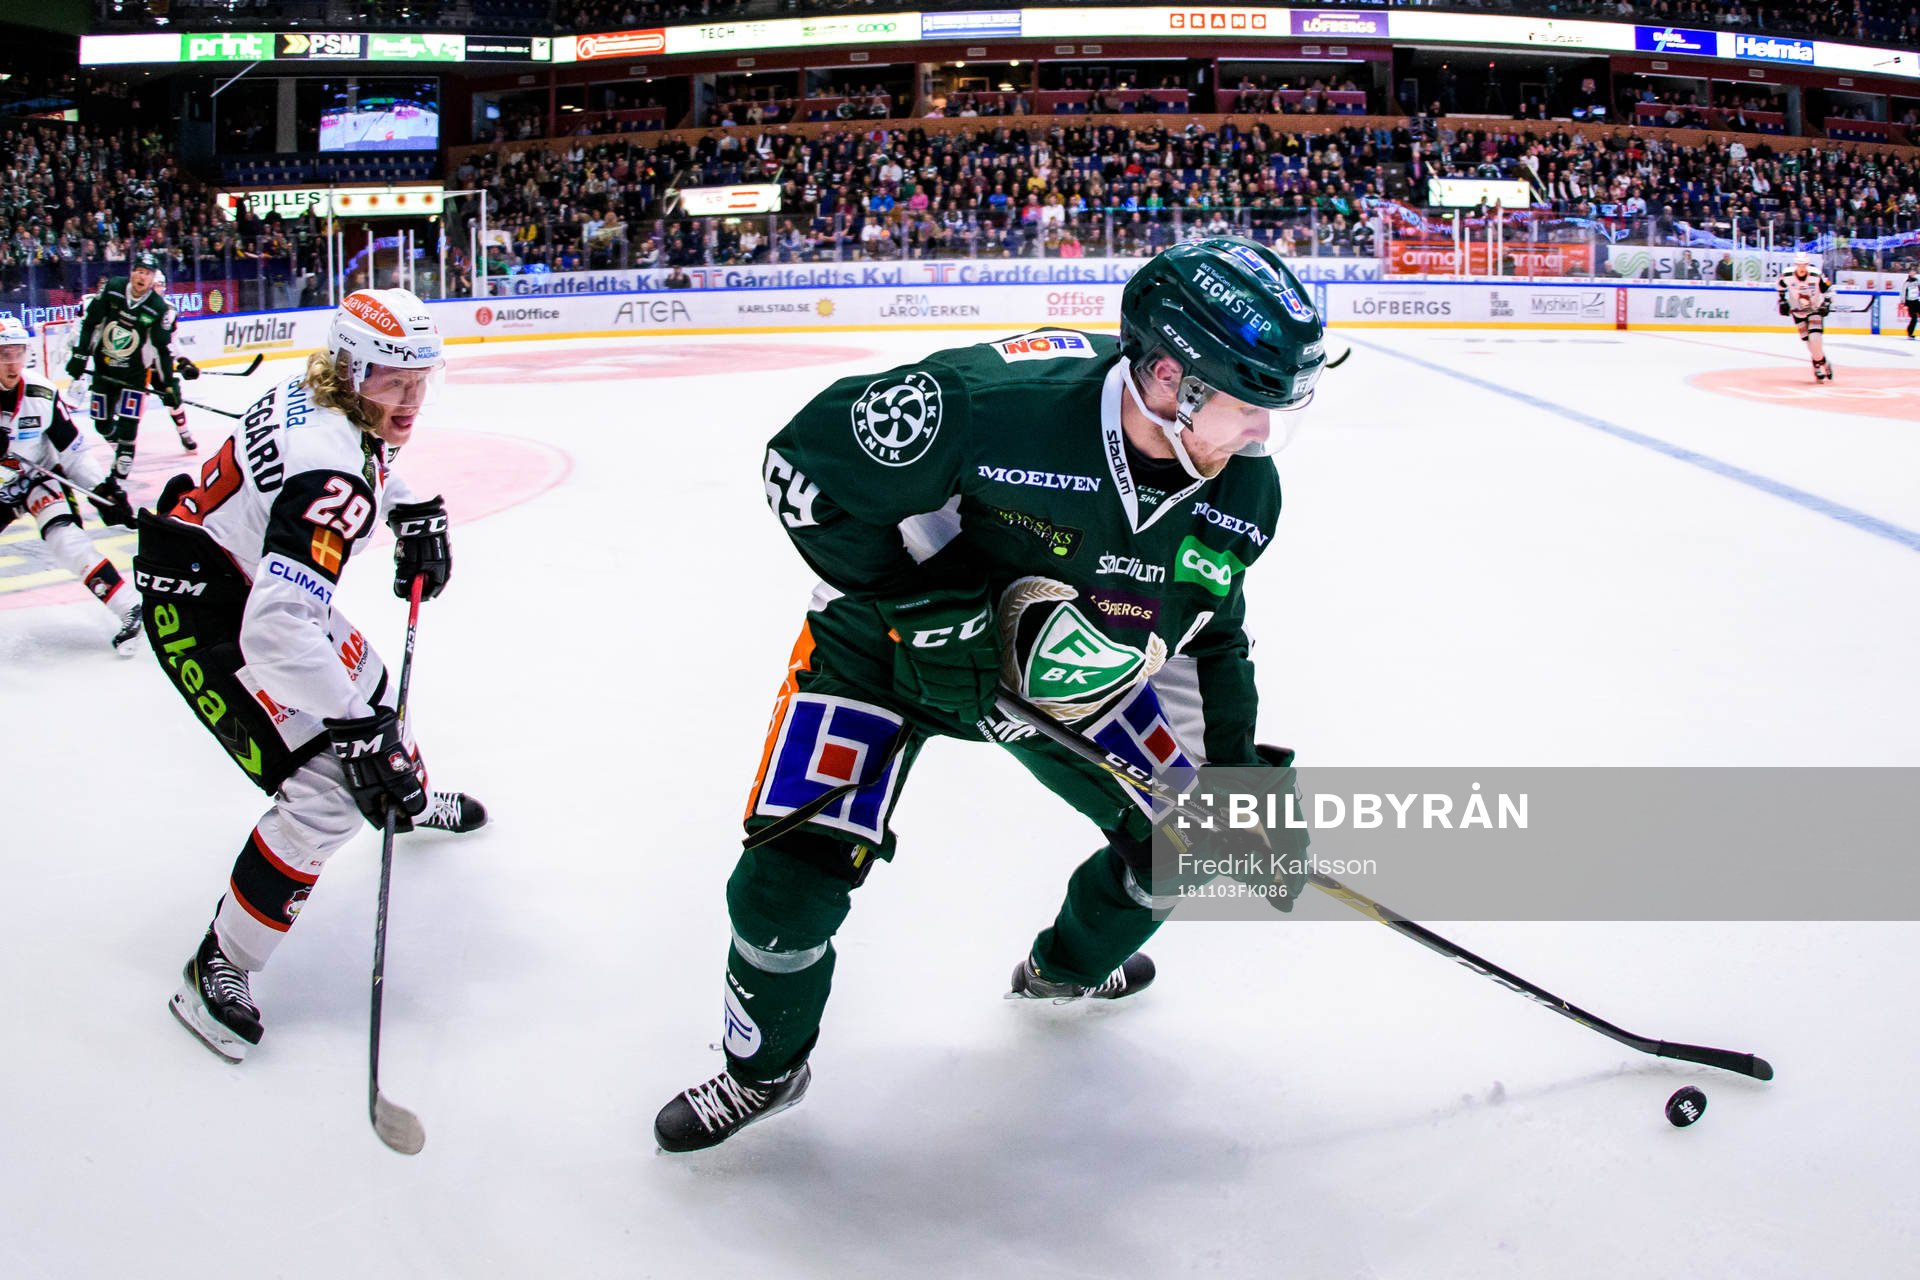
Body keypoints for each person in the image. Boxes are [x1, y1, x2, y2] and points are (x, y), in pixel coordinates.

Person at [653, 237, 1327, 1153]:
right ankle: (764, 1069)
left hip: (1067, 673)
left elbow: (1213, 628)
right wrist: (925, 606)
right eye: (1251, 407)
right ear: (1171, 377)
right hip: (879, 651)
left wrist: (1232, 774)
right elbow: (803, 476)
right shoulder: (990, 403)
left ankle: (1064, 971)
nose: (1262, 436)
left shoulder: (1243, 493)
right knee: (787, 885)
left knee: (1177, 845)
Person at [136, 289, 490, 1064]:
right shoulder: (333, 470)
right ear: (353, 369)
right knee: (328, 788)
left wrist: (413, 503)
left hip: (236, 576)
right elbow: (273, 635)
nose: (412, 401)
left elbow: (352, 462)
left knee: (369, 681)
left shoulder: (312, 392)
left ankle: (407, 797)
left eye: (422, 378)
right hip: (203, 610)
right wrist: (359, 735)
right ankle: (219, 963)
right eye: (394, 382)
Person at [0, 317, 142, 650]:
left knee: (67, 540)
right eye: (5, 353)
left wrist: (103, 491)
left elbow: (74, 452)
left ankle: (128, 607)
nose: (13, 362)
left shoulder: (40, 392)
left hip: (38, 477)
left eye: (19, 352)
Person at [64, 252, 189, 479]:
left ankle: (124, 457)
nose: (142, 277)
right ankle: (118, 441)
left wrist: (170, 385)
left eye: (148, 274)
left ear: (153, 280)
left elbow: (161, 350)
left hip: (134, 375)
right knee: (101, 423)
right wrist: (80, 355)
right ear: (132, 272)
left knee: (128, 426)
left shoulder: (157, 308)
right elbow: (91, 323)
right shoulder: (113, 288)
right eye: (139, 271)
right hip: (104, 369)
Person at [1777, 252, 1835, 382]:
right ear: (1795, 264)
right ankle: (1822, 363)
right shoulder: (1787, 275)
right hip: (1798, 311)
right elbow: (1780, 286)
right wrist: (1782, 300)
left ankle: (1817, 366)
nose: (1801, 268)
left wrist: (1826, 303)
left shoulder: (1816, 275)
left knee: (1815, 338)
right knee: (1808, 341)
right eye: (1799, 264)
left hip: (1815, 308)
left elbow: (1829, 289)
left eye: (1804, 264)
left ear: (1807, 264)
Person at [1902, 270, 1919, 340]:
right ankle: (1910, 333)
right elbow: (1903, 293)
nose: (1913, 273)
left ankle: (1910, 333)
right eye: (1911, 272)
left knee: (1914, 318)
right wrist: (1904, 303)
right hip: (1910, 302)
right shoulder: (1906, 282)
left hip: (1916, 301)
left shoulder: (1917, 280)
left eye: (1914, 272)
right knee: (1914, 318)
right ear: (1909, 273)